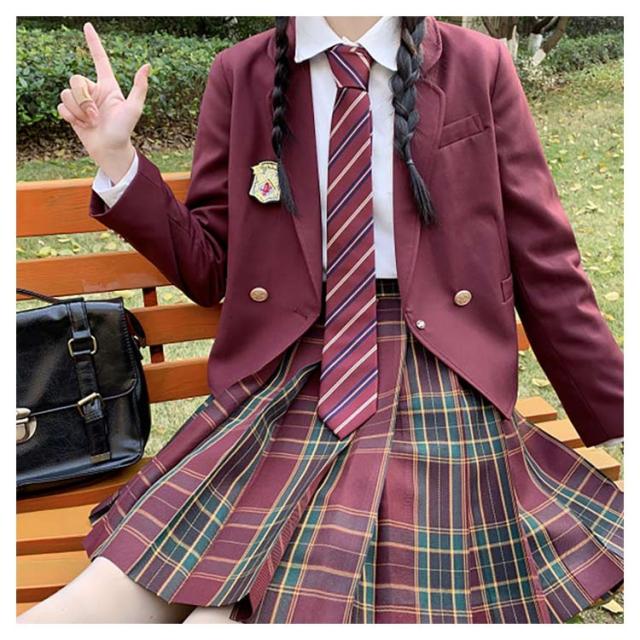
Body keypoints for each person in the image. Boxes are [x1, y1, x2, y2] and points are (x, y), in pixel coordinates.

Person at [18, 15, 623, 624]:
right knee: (113, 588)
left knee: (228, 610)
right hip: (290, 373)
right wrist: (117, 158)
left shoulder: (477, 64)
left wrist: (620, 418)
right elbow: (208, 270)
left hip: (437, 371)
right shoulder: (242, 73)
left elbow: (544, 258)